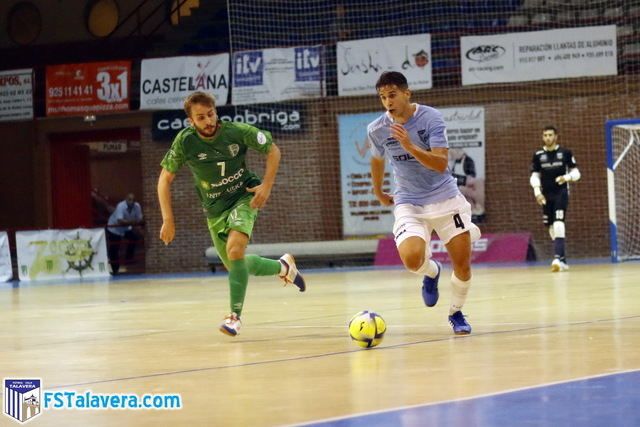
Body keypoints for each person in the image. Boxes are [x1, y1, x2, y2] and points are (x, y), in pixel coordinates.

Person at [157, 91, 306, 337]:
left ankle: (234, 317)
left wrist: (267, 185)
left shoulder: (236, 131)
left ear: (216, 112)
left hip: (243, 195)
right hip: (214, 209)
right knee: (237, 266)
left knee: (235, 250)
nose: (208, 121)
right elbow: (164, 179)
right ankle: (283, 267)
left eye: (211, 114)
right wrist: (168, 220)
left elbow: (273, 150)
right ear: (190, 121)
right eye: (201, 117)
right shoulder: (185, 141)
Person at [367, 71, 481, 335]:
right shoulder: (377, 128)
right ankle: (432, 272)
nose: (387, 102)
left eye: (392, 95)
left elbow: (440, 163)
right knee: (411, 259)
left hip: (445, 198)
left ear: (407, 93)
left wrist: (409, 145)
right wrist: (379, 191)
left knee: (463, 266)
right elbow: (376, 159)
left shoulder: (431, 118)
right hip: (409, 201)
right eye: (382, 97)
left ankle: (456, 312)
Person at [529, 125, 581, 272]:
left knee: (559, 223)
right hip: (546, 195)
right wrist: (537, 192)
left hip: (561, 193)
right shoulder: (538, 155)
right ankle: (562, 259)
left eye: (550, 135)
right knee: (551, 226)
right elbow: (534, 175)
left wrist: (566, 177)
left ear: (556, 136)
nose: (548, 138)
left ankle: (557, 257)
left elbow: (577, 173)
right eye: (545, 135)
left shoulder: (565, 153)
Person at [106, 193, 144, 275]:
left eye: (133, 200)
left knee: (134, 238)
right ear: (126, 199)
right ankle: (115, 269)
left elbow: (140, 220)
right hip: (114, 228)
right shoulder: (121, 206)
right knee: (114, 248)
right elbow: (120, 221)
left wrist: (137, 225)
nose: (131, 202)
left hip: (126, 228)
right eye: (130, 200)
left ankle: (128, 259)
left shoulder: (137, 206)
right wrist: (133, 223)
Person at [449, 147, 485, 222]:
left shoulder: (468, 160)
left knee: (469, 192)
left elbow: (472, 174)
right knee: (466, 191)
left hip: (462, 182)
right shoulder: (452, 160)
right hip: (454, 183)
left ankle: (474, 209)